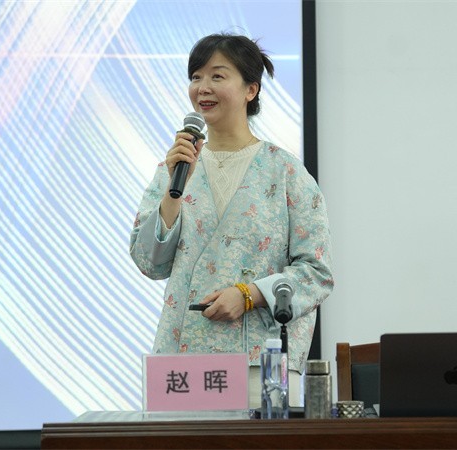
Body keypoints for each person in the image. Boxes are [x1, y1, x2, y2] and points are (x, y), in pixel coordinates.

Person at [129, 33, 333, 408]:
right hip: (182, 364)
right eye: (196, 77)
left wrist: (249, 295)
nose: (202, 87)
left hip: (259, 365)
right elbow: (149, 262)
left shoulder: (286, 171)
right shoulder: (173, 168)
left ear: (250, 89)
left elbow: (317, 273)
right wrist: (173, 194)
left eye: (217, 76)